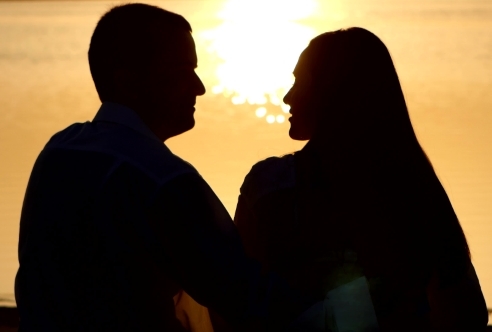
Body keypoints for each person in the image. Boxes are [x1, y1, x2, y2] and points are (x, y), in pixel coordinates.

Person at [15, 4, 315, 331]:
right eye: (184, 69)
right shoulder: (163, 180)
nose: (199, 86)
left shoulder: (57, 152)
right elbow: (247, 294)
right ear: (126, 78)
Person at [235, 27, 488, 331]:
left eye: (300, 81)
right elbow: (468, 313)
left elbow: (233, 299)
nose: (288, 97)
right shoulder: (416, 188)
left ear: (331, 90)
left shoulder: (269, 187)